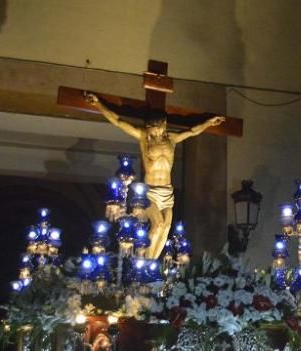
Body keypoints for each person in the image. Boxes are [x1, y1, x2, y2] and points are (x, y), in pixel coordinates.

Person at [84, 91, 225, 260]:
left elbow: (193, 131)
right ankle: (144, 263)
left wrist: (208, 123)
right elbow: (118, 121)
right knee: (157, 224)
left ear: (164, 125)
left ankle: (153, 264)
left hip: (167, 192)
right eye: (152, 130)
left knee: (166, 227)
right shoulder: (144, 137)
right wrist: (98, 104)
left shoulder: (172, 138)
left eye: (157, 130)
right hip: (149, 191)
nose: (154, 134)